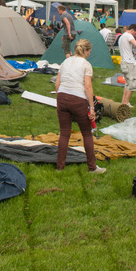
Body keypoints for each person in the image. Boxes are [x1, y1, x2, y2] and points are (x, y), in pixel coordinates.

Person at [54, 39, 104, 174]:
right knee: (87, 134)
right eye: (90, 50)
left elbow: (57, 84)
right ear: (86, 51)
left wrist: (61, 97)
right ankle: (92, 168)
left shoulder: (65, 62)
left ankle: (60, 167)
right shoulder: (86, 65)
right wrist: (92, 108)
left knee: (64, 134)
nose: (90, 53)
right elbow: (88, 86)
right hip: (78, 99)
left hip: (62, 97)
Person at [117, 24, 136, 108]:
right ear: (132, 30)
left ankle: (123, 102)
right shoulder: (128, 35)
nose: (135, 36)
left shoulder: (122, 36)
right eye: (135, 34)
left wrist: (134, 53)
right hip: (129, 63)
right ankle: (126, 103)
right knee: (132, 84)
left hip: (124, 62)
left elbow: (126, 49)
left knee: (127, 83)